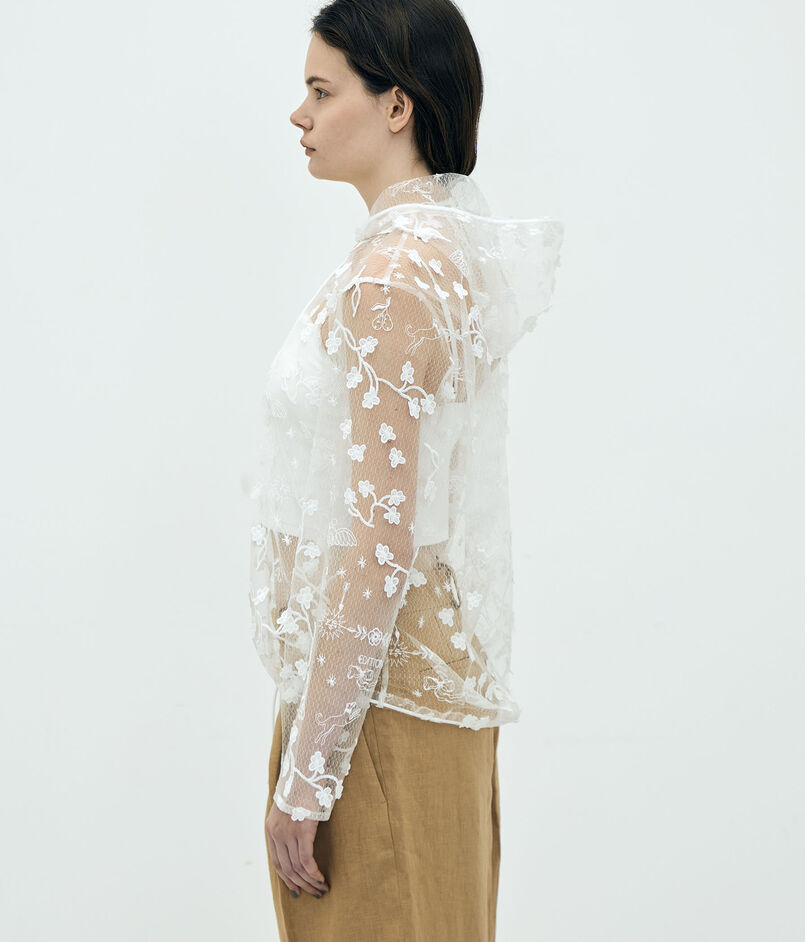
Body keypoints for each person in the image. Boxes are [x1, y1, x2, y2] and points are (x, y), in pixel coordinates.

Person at [245, 1, 563, 938]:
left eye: (321, 90)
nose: (298, 114)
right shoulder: (431, 256)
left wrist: (306, 778)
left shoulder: (391, 279)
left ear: (396, 105)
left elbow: (380, 545)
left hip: (374, 703)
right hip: (391, 684)